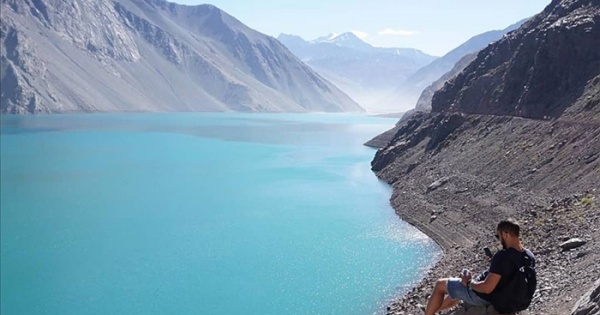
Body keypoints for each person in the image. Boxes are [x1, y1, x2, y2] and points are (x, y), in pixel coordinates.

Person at [423, 219, 536, 315]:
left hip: (485, 297)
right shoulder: (529, 256)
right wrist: (494, 265)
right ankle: (432, 309)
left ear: (505, 234)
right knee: (457, 291)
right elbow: (510, 273)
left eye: (498, 236)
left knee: (440, 285)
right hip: (509, 297)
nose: (499, 240)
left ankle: (429, 312)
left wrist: (468, 283)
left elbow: (487, 288)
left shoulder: (502, 256)